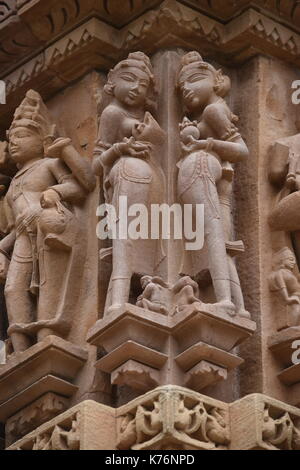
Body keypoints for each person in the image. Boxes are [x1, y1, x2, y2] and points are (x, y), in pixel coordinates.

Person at [93, 52, 165, 315]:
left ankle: (150, 285)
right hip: (125, 177)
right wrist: (120, 149)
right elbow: (96, 165)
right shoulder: (112, 113)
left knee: (151, 239)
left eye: (142, 84)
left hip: (154, 180)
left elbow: (160, 141)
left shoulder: (146, 114)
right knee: (125, 239)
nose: (135, 87)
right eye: (128, 79)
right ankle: (118, 299)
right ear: (112, 80)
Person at [177, 52, 249, 311]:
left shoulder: (214, 109)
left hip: (212, 180)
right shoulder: (205, 114)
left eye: (195, 79)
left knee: (215, 237)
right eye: (181, 86)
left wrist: (206, 143)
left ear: (217, 82)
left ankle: (226, 301)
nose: (186, 88)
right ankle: (236, 306)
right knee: (218, 241)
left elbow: (241, 150)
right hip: (207, 181)